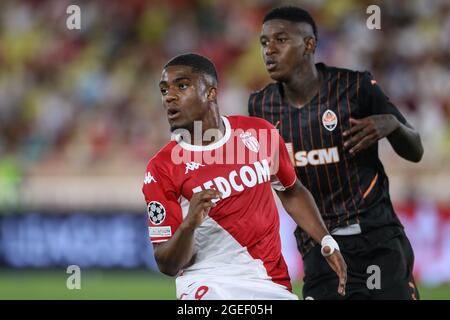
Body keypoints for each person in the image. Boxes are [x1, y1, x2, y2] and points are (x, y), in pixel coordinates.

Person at [248, 6, 424, 300]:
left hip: (377, 242)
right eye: (264, 43)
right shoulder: (260, 107)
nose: (269, 50)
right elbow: (278, 184)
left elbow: (415, 150)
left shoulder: (355, 88)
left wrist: (392, 124)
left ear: (309, 45)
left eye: (281, 40)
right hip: (320, 250)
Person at [142, 53, 347, 300]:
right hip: (208, 284)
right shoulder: (162, 168)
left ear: (211, 93)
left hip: (270, 284)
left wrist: (326, 239)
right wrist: (189, 226)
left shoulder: (260, 133)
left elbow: (291, 190)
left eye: (182, 86)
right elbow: (167, 264)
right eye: (164, 90)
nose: (170, 97)